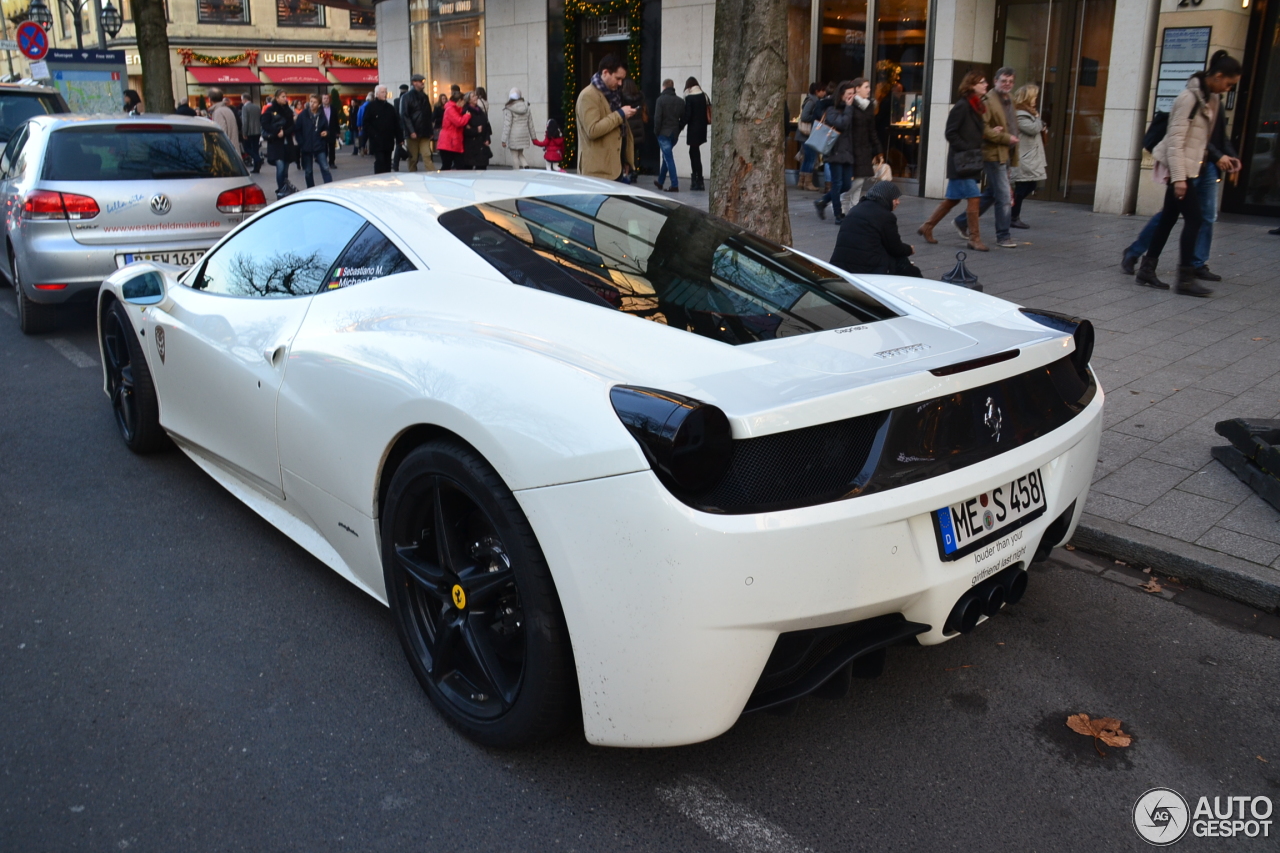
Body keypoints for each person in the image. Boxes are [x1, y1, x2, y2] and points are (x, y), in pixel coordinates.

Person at [1122, 52, 1243, 287]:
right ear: (1218, 76)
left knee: (1168, 218)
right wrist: (1179, 179)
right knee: (1195, 219)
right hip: (1182, 168)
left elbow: (1214, 137)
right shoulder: (1189, 98)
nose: (1229, 89)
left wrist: (1225, 157)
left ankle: (1147, 269)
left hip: (1197, 166)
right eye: (1229, 84)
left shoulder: (1213, 100)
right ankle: (1184, 277)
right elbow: (1176, 141)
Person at [917, 70, 990, 251]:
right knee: (974, 197)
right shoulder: (963, 105)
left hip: (969, 161)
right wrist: (966, 147)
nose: (986, 84)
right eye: (982, 82)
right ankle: (974, 238)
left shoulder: (976, 106)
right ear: (972, 85)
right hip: (962, 161)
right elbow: (950, 132)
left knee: (953, 200)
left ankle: (927, 226)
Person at [953, 66, 1020, 249]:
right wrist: (1005, 137)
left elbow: (1010, 124)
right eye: (1003, 80)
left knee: (993, 192)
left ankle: (962, 221)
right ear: (996, 80)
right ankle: (1003, 235)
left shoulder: (1010, 99)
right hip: (992, 153)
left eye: (1011, 81)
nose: (1007, 84)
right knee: (1004, 195)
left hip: (1007, 152)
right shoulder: (987, 100)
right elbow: (982, 128)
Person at [830, 181, 921, 277]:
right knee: (903, 263)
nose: (898, 202)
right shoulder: (885, 216)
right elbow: (895, 248)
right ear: (886, 197)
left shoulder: (856, 209)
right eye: (895, 198)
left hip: (841, 265)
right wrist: (909, 249)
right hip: (866, 268)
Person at [575, 54, 636, 181]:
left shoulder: (613, 95)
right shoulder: (588, 95)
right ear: (605, 72)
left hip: (615, 168)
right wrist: (620, 114)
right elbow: (593, 130)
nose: (620, 83)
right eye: (617, 78)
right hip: (597, 172)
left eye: (622, 79)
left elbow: (617, 131)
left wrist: (624, 159)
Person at [813, 80, 863, 224]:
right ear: (841, 95)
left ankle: (822, 201)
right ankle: (838, 215)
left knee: (846, 185)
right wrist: (848, 107)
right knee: (837, 184)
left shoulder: (851, 108)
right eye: (849, 94)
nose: (851, 97)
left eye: (853, 94)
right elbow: (842, 124)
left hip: (847, 151)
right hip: (835, 151)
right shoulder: (831, 109)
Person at [1009, 83, 1046, 229]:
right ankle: (1012, 215)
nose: (1036, 99)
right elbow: (1034, 128)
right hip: (1024, 156)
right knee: (1024, 185)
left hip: (1029, 155)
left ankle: (1011, 211)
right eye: (1034, 96)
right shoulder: (1020, 114)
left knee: (1029, 184)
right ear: (1027, 97)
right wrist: (1038, 118)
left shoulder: (1026, 113)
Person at [262, 89, 298, 199]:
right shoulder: (270, 110)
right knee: (280, 167)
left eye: (285, 96)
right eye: (282, 96)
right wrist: (276, 132)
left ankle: (284, 189)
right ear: (277, 98)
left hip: (287, 143)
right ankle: (281, 190)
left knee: (285, 168)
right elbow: (265, 124)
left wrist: (285, 132)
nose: (285, 98)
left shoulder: (288, 110)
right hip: (276, 143)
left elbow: (292, 126)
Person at [294, 94, 332, 188]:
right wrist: (301, 143)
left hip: (319, 145)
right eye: (311, 102)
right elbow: (297, 130)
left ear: (319, 104)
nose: (312, 104)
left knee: (325, 168)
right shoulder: (303, 115)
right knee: (308, 171)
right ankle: (311, 188)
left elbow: (327, 128)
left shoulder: (322, 115)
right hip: (306, 146)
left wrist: (326, 132)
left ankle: (330, 187)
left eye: (315, 102)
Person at [652, 79, 684, 192]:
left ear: (664, 87)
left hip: (663, 133)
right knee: (666, 157)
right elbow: (683, 118)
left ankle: (674, 185)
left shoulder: (660, 100)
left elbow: (657, 118)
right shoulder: (680, 101)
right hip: (674, 134)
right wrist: (679, 129)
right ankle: (660, 182)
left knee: (668, 158)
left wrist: (656, 132)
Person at [363, 85, 402, 174]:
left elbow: (396, 123)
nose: (385, 94)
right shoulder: (370, 107)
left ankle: (387, 181)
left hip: (388, 140)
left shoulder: (390, 108)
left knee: (387, 163)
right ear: (377, 94)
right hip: (377, 141)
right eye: (382, 92)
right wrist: (373, 134)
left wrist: (400, 138)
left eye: (385, 92)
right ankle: (379, 179)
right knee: (380, 161)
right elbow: (366, 123)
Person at [400, 74, 435, 172]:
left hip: (424, 131)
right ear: (414, 83)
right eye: (420, 81)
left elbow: (428, 115)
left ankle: (432, 174)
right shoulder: (407, 97)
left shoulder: (424, 96)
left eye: (422, 81)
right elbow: (405, 115)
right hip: (413, 132)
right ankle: (412, 174)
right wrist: (411, 131)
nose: (422, 83)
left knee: (426, 154)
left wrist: (430, 131)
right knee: (413, 157)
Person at [795, 83, 825, 191]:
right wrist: (816, 118)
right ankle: (807, 183)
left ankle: (802, 181)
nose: (824, 93)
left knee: (807, 158)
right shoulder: (812, 102)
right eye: (823, 90)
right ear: (817, 91)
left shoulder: (812, 100)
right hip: (807, 135)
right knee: (811, 158)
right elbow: (804, 116)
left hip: (805, 135)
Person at [682, 77, 710, 191]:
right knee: (695, 152)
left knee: (694, 154)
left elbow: (688, 115)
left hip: (693, 130)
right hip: (702, 129)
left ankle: (697, 180)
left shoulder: (689, 97)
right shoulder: (704, 95)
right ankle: (698, 179)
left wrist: (680, 125)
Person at [501, 87, 537, 169]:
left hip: (514, 135)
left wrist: (503, 139)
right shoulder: (526, 106)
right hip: (524, 134)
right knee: (520, 153)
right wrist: (533, 137)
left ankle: (516, 173)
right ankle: (525, 165)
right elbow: (530, 123)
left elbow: (507, 124)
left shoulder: (510, 108)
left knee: (514, 155)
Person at [620, 78, 646, 182]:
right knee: (635, 151)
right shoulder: (639, 97)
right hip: (639, 128)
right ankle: (634, 171)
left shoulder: (623, 97)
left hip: (628, 127)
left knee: (626, 150)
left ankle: (627, 171)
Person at [437, 92, 470, 170]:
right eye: (463, 101)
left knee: (458, 165)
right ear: (459, 100)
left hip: (453, 142)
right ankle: (440, 180)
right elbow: (459, 122)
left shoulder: (456, 109)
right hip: (448, 142)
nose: (464, 103)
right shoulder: (450, 109)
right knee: (447, 166)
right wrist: (467, 116)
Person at [462, 91, 492, 170]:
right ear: (469, 100)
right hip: (470, 146)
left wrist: (487, 138)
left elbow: (487, 125)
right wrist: (476, 130)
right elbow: (464, 129)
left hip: (482, 144)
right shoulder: (466, 111)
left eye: (475, 96)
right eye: (473, 96)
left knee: (482, 167)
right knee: (468, 168)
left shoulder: (480, 110)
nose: (476, 97)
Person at [240, 95, 262, 173]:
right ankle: (257, 167)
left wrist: (244, 132)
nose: (241, 101)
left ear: (245, 100)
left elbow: (245, 121)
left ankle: (257, 159)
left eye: (242, 99)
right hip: (257, 131)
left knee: (247, 148)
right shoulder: (257, 107)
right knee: (255, 149)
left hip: (249, 132)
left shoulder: (245, 108)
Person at [321, 93, 338, 167]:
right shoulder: (319, 109)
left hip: (332, 130)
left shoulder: (333, 108)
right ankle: (323, 161)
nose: (326, 100)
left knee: (332, 147)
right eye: (324, 98)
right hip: (322, 130)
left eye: (327, 98)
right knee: (323, 147)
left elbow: (336, 120)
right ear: (322, 100)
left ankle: (332, 162)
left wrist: (338, 131)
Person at [355, 92, 372, 156]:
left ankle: (362, 147)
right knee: (371, 138)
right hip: (370, 124)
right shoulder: (372, 106)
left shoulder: (362, 107)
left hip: (363, 125)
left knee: (364, 138)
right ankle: (371, 150)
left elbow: (359, 116)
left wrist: (359, 125)